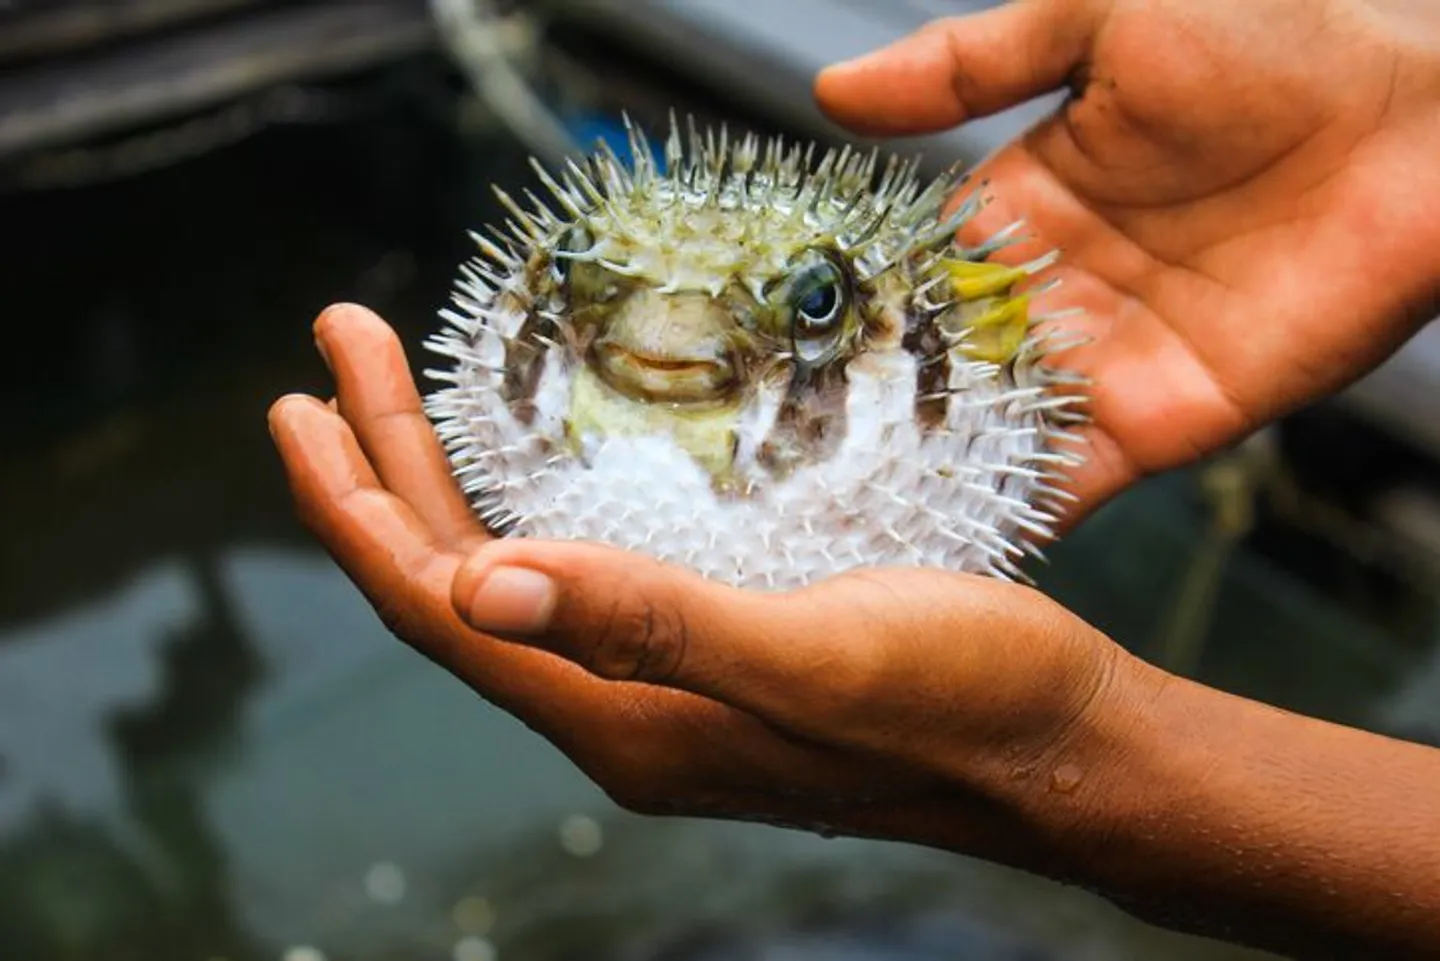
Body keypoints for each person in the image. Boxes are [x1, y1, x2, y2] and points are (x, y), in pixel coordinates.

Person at [267, 1, 1440, 958]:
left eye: (815, 310)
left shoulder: (962, 360)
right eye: (583, 285)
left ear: (929, 346)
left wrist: (1078, 753)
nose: (665, 338)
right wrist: (1410, 101)